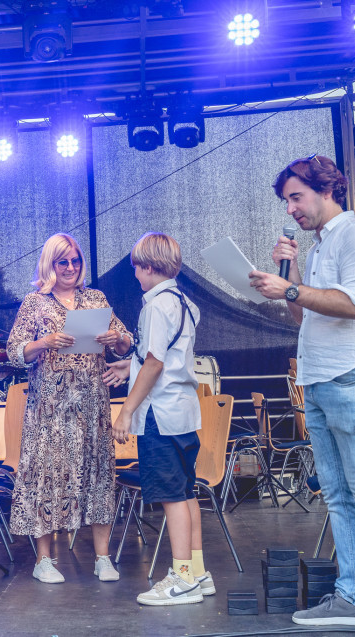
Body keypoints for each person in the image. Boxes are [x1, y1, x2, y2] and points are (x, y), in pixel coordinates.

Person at [249, 155, 355, 637]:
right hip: (321, 380)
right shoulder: (320, 248)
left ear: (326, 189)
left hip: (353, 377)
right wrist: (293, 280)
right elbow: (308, 316)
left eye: (296, 197)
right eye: (286, 202)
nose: (290, 209)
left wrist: (290, 290)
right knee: (339, 496)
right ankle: (353, 596)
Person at [6, 233, 132, 584]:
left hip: (92, 407)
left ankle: (103, 558)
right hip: (50, 411)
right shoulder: (35, 302)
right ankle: (44, 560)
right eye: (63, 261)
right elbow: (14, 352)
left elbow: (125, 342)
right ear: (50, 264)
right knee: (46, 477)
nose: (71, 267)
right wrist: (44, 342)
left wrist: (117, 339)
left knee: (98, 475)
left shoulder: (95, 299)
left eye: (76, 261)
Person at [103, 232, 214, 606]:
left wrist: (126, 411)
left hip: (159, 415)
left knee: (171, 496)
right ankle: (197, 572)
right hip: (182, 412)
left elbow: (155, 364)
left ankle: (182, 578)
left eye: (136, 268)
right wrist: (130, 365)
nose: (135, 274)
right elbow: (164, 358)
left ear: (149, 267)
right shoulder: (184, 302)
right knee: (185, 492)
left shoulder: (154, 307)